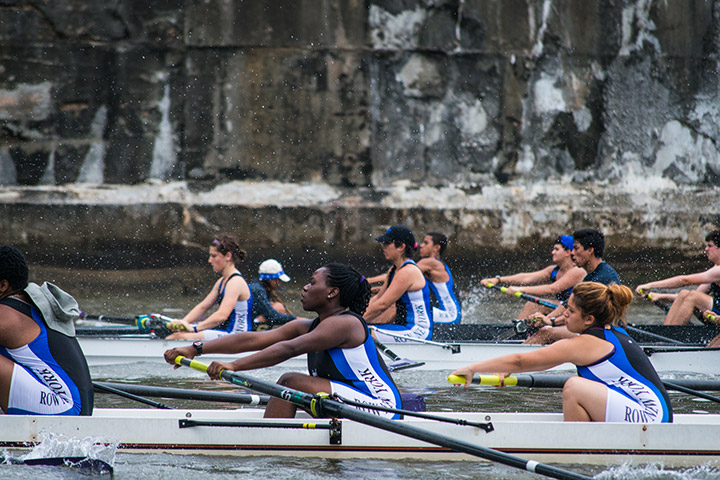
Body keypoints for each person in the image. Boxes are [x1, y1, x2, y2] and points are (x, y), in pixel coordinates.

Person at [164, 263, 402, 419]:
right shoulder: (309, 325)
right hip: (348, 400)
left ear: (332, 292)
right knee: (290, 389)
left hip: (380, 407)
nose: (305, 287)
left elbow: (290, 348)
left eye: (312, 283)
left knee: (290, 381)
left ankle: (271, 445)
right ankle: (275, 433)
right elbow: (256, 339)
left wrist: (234, 366)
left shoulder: (346, 324)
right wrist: (195, 348)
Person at [451, 282, 673, 423]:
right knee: (579, 388)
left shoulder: (585, 343)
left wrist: (472, 368)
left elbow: (521, 361)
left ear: (589, 320)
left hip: (650, 418)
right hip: (653, 412)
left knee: (574, 387)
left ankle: (578, 457)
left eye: (571, 310)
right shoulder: (611, 332)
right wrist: (501, 369)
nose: (564, 314)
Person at [0, 245, 93, 415]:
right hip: (72, 407)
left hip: (65, 408)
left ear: (3, 286)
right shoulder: (24, 305)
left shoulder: (6, 316)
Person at [524, 228, 621, 344]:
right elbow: (568, 303)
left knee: (547, 332)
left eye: (576, 248)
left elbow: (579, 312)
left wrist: (553, 322)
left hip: (606, 332)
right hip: (591, 327)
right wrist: (548, 319)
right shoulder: (591, 275)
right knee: (546, 329)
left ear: (590, 250)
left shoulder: (602, 278)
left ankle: (515, 358)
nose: (572, 253)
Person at [481, 235, 585, 320]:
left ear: (567, 252)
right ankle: (522, 331)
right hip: (562, 308)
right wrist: (498, 280)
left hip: (576, 311)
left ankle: (518, 335)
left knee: (534, 305)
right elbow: (527, 278)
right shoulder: (553, 270)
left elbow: (551, 289)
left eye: (556, 249)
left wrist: (520, 289)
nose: (552, 252)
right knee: (533, 309)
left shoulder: (577, 271)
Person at [168, 235, 252, 340]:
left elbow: (222, 315)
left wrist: (194, 329)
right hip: (226, 334)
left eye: (213, 256)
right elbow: (203, 306)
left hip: (237, 337)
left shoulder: (235, 282)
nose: (209, 260)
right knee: (177, 334)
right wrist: (183, 323)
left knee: (175, 338)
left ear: (228, 256)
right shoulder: (222, 281)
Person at [364, 225, 433, 343]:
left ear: (401, 247)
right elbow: (378, 298)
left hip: (417, 332)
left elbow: (383, 304)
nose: (382, 246)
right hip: (404, 328)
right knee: (359, 330)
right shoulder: (394, 270)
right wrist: (353, 315)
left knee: (360, 333)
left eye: (386, 243)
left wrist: (354, 322)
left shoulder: (408, 271)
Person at [635, 230, 720, 326]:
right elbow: (688, 297)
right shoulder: (714, 270)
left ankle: (672, 333)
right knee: (684, 293)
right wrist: (660, 296)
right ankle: (666, 330)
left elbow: (685, 281)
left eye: (710, 246)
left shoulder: (718, 271)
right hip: (715, 312)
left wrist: (650, 285)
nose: (706, 249)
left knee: (693, 296)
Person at [417, 232, 462, 324]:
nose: (421, 245)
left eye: (426, 243)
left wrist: (378, 279)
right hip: (452, 314)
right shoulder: (436, 263)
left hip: (449, 316)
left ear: (436, 248)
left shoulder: (430, 262)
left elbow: (401, 275)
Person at [250, 259, 305, 328]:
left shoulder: (259, 287)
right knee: (278, 307)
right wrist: (296, 319)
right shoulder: (257, 290)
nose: (280, 283)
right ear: (270, 279)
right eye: (278, 280)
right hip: (248, 325)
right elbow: (273, 316)